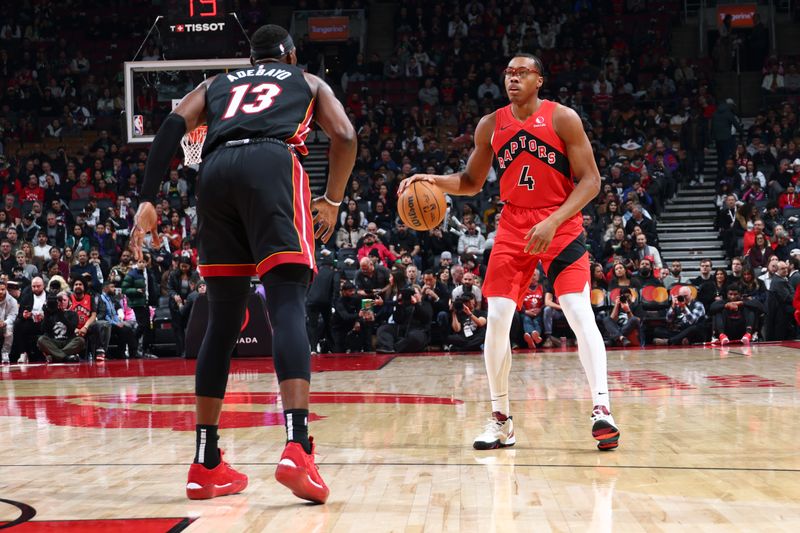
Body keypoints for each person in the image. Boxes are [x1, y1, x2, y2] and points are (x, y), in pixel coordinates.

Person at [130, 24, 355, 503]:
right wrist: (333, 198)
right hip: (272, 165)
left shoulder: (218, 83)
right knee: (288, 302)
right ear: (290, 54)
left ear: (251, 60)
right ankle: (297, 446)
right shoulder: (309, 81)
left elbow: (173, 124)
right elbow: (345, 134)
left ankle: (205, 462)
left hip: (213, 174)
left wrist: (148, 198)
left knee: (223, 319)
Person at [399, 53, 619, 451]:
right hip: (514, 224)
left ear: (539, 80)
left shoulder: (563, 118)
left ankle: (602, 408)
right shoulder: (491, 125)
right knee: (498, 315)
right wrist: (429, 178)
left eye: (522, 73)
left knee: (576, 307)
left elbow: (591, 182)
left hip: (561, 223)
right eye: (508, 73)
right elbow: (469, 181)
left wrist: (553, 221)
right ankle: (501, 419)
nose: (513, 79)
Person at [37, 291, 85, 363]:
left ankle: (55, 357)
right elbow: (43, 330)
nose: (62, 302)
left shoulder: (73, 314)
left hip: (68, 342)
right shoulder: (50, 313)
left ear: (69, 302)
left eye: (64, 300)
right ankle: (65, 358)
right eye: (59, 300)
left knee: (81, 341)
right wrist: (46, 315)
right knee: (41, 340)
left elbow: (72, 329)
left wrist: (61, 315)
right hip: (53, 342)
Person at [0, 281, 18, 364]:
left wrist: (5, 322)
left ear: (6, 289)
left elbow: (12, 316)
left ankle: (5, 353)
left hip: (5, 324)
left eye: (2, 289)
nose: (0, 291)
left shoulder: (12, 301)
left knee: (9, 328)